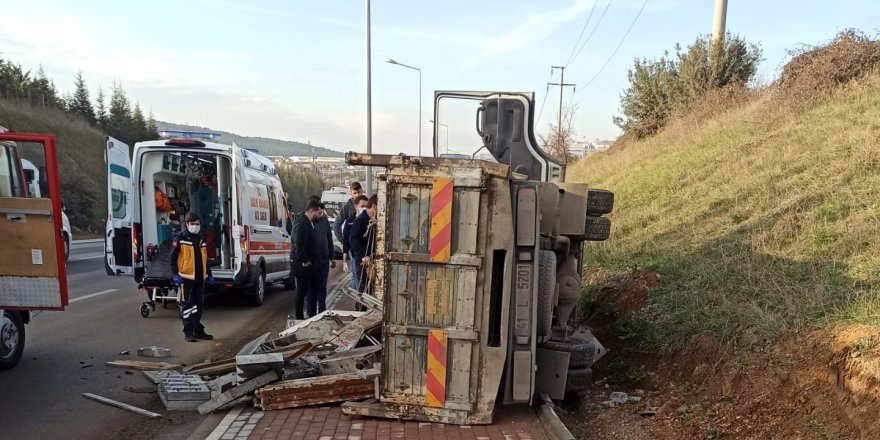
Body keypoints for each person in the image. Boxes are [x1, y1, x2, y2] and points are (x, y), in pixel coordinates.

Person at [170, 212, 215, 342]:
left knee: (198, 305)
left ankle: (198, 330)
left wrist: (209, 274)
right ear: (187, 224)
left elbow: (204, 259)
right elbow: (172, 258)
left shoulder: (201, 238)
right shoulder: (180, 238)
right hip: (185, 278)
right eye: (192, 224)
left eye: (197, 224)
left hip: (199, 278)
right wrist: (175, 274)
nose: (195, 226)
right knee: (187, 305)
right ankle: (188, 331)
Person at [291, 200, 323, 319]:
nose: (321, 215)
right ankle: (299, 317)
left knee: (313, 289)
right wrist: (304, 260)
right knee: (302, 290)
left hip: (310, 263)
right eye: (319, 213)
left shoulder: (309, 222)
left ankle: (312, 313)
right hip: (302, 264)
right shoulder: (302, 224)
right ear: (311, 211)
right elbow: (299, 244)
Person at [308, 196, 336, 316]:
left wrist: (332, 256)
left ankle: (322, 310)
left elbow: (329, 238)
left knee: (321, 286)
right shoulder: (306, 221)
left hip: (323, 258)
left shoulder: (324, 220)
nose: (320, 211)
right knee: (310, 288)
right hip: (312, 259)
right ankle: (310, 311)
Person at [349, 194, 378, 293]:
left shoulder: (374, 220)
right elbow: (352, 239)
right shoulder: (361, 220)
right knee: (364, 288)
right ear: (374, 206)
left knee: (370, 289)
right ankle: (360, 308)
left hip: (371, 259)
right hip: (363, 261)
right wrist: (363, 255)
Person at [342, 194, 369, 290]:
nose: (365, 208)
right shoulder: (350, 220)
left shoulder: (368, 219)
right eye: (362, 206)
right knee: (355, 277)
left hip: (366, 255)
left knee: (362, 279)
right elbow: (346, 238)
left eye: (366, 206)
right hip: (354, 253)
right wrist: (344, 260)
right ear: (356, 206)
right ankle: (357, 298)